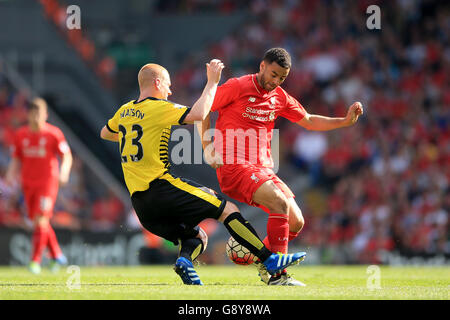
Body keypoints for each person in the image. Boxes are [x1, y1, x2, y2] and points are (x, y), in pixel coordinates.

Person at [100, 59, 306, 285]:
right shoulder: (158, 107)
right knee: (228, 209)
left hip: (141, 206)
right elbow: (199, 113)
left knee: (197, 236)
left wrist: (138, 133)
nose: (170, 90)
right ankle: (269, 261)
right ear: (157, 83)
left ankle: (184, 263)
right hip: (161, 187)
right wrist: (211, 82)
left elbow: (105, 133)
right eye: (168, 85)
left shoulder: (124, 111)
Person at [198, 48, 364, 286]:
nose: (275, 81)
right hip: (234, 166)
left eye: (282, 78)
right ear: (262, 65)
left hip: (262, 169)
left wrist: (345, 121)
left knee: (296, 221)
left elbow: (307, 120)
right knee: (280, 202)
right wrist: (207, 146)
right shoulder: (238, 86)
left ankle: (260, 255)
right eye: (273, 74)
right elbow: (204, 106)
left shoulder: (280, 97)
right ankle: (277, 275)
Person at [5, 97, 72, 274]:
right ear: (28, 114)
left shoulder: (54, 134)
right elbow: (16, 158)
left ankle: (35, 261)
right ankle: (56, 253)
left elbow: (66, 156)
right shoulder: (21, 135)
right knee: (38, 222)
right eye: (33, 114)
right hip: (28, 183)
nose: (36, 118)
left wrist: (64, 173)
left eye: (39, 114)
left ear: (46, 115)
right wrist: (11, 175)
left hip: (47, 182)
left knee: (41, 219)